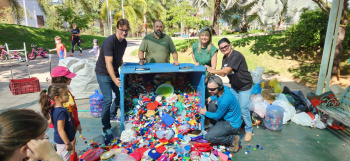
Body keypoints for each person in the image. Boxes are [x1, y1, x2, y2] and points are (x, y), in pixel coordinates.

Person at [206, 38, 253, 142]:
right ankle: (237, 123)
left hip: (244, 86)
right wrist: (211, 71)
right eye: (221, 48)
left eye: (226, 46)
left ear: (230, 45)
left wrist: (212, 70)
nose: (224, 49)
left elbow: (227, 70)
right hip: (235, 86)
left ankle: (249, 130)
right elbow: (223, 73)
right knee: (233, 105)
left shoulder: (236, 55)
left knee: (243, 108)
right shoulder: (225, 58)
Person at [95, 19, 130, 142]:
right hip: (103, 73)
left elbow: (118, 59)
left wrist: (124, 65)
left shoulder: (124, 42)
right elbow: (108, 63)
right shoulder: (109, 42)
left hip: (114, 71)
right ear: (117, 28)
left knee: (121, 95)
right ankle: (106, 127)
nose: (124, 33)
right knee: (108, 99)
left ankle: (113, 114)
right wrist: (115, 79)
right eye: (122, 30)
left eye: (126, 30)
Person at [199, 76, 241, 153]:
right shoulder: (223, 88)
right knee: (211, 105)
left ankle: (232, 139)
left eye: (212, 90)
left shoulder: (224, 100)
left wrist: (204, 112)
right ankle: (215, 129)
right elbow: (216, 95)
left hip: (231, 124)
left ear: (220, 88)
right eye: (208, 88)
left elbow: (217, 116)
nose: (209, 91)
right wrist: (211, 98)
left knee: (209, 137)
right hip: (228, 117)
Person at [50, 66, 81, 161]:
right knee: (71, 141)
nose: (71, 79)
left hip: (67, 123)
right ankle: (72, 158)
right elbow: (61, 129)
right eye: (68, 77)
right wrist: (77, 124)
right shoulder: (61, 106)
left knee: (70, 141)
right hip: (67, 124)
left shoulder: (58, 93)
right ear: (62, 79)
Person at [39, 84, 75, 161]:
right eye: (65, 94)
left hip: (60, 141)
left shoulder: (54, 107)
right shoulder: (61, 112)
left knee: (60, 157)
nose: (68, 96)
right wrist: (67, 143)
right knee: (64, 159)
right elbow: (60, 130)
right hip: (63, 142)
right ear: (57, 98)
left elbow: (52, 120)